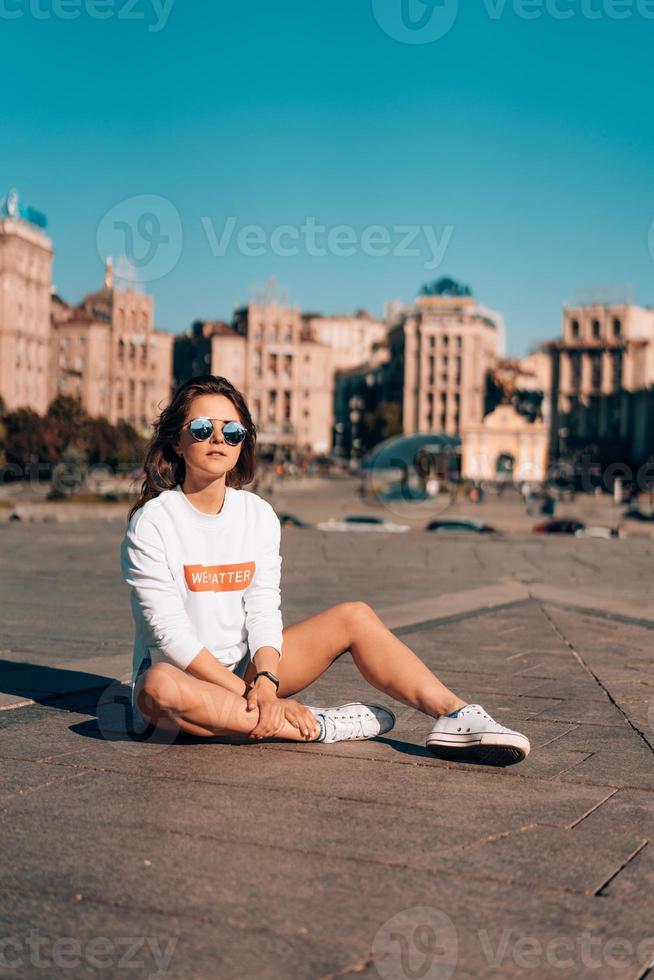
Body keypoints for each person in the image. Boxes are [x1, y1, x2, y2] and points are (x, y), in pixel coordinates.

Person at [120, 375, 530, 766]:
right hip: (185, 679)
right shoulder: (153, 522)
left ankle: (457, 715)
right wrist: (262, 699)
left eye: (232, 431)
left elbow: (263, 609)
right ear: (177, 440)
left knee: (355, 616)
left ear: (243, 443)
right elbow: (170, 635)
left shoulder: (257, 514)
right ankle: (316, 725)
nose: (217, 438)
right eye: (202, 427)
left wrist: (264, 680)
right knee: (158, 688)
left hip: (249, 672)